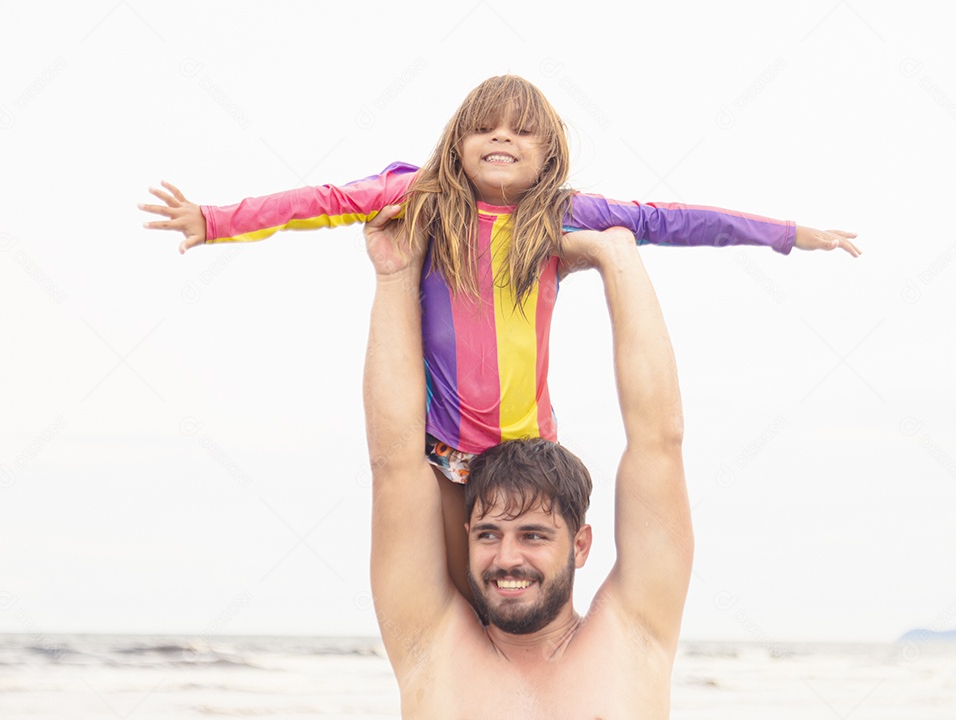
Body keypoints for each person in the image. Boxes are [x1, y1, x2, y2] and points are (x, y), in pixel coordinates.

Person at [140, 74, 858, 602]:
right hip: (444, 451)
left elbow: (672, 219)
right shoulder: (417, 195)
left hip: (527, 450)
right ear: (458, 144)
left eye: (522, 129)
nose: (502, 137)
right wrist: (215, 219)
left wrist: (787, 235)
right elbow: (324, 203)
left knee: (528, 598)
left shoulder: (564, 216)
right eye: (485, 127)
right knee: (455, 599)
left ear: (550, 154)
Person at [363, 208, 689, 717]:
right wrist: (394, 275)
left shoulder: (633, 635)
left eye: (533, 535)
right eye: (488, 534)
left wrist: (616, 258)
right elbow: (393, 464)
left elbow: (658, 442)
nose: (506, 558)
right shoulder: (431, 646)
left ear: (580, 544)